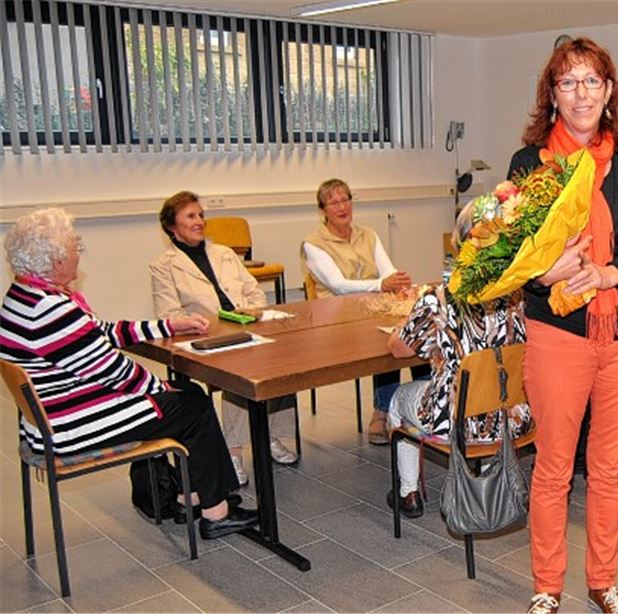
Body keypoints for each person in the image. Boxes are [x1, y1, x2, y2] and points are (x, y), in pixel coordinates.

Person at [0, 207, 258, 540]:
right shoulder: (51, 309)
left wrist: (167, 326)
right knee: (192, 405)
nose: (80, 253)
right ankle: (216, 513)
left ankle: (193, 497)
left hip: (51, 415)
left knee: (187, 394)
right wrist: (159, 386)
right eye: (74, 246)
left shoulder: (24, 296)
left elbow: (100, 332)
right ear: (56, 261)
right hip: (69, 425)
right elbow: (115, 371)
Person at [516, 37, 618, 614]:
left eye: (592, 81)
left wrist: (606, 274)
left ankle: (603, 582)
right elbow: (516, 262)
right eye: (568, 82)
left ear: (609, 92)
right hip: (558, 335)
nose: (581, 93)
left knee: (608, 468)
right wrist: (548, 269)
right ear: (552, 94)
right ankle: (547, 588)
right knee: (553, 468)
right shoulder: (530, 165)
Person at [384, 201, 532, 519]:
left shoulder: (438, 299)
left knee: (397, 398)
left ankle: (408, 492)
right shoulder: (518, 294)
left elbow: (399, 349)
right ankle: (494, 477)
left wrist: (400, 328)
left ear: (461, 241)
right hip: (513, 417)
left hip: (458, 423)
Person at [149, 190, 298, 487]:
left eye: (201, 215)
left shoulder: (225, 253)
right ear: (172, 226)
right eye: (190, 216)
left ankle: (269, 436)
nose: (199, 221)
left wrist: (251, 310)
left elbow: (254, 291)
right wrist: (210, 323)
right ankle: (233, 452)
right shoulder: (162, 265)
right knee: (240, 370)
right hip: (207, 336)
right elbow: (169, 312)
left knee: (283, 361)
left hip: (249, 325)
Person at [301, 178, 425, 445]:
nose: (342, 206)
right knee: (385, 339)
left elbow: (387, 270)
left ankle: (422, 405)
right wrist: (381, 284)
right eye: (334, 203)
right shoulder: (313, 244)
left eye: (346, 199)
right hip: (336, 316)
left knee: (414, 332)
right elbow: (338, 285)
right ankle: (382, 412)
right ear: (322, 210)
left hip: (374, 308)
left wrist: (397, 282)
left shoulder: (368, 234)